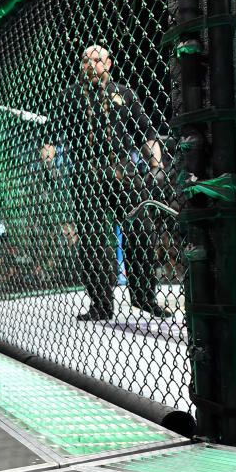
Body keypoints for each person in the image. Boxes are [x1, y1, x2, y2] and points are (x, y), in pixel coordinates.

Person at [69, 45, 171, 321]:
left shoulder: (125, 93)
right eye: (85, 60)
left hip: (124, 172)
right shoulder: (71, 96)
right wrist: (48, 162)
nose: (90, 64)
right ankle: (100, 304)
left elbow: (147, 132)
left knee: (142, 232)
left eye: (96, 59)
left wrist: (156, 166)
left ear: (109, 63)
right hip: (87, 175)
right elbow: (52, 134)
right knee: (93, 243)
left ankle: (144, 296)